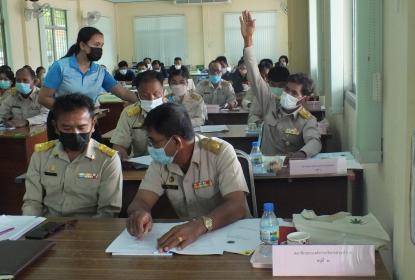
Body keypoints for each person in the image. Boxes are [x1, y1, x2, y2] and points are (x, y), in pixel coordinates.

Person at [126, 103, 249, 252]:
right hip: (187, 242)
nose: (150, 147)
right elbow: (141, 200)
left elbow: (237, 205)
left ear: (177, 141)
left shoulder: (221, 152)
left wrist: (199, 226)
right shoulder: (160, 162)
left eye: (154, 142)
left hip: (231, 237)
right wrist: (139, 212)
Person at [22, 93, 122, 217]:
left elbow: (108, 211)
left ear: (93, 125)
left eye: (82, 127)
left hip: (89, 228)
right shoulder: (41, 155)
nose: (75, 133)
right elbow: (32, 202)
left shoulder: (107, 159)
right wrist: (30, 227)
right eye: (67, 128)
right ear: (56, 127)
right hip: (46, 227)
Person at [240, 10, 322, 161]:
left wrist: (301, 154)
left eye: (294, 93)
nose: (287, 94)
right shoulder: (270, 102)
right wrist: (248, 39)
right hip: (264, 169)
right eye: (287, 90)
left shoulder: (307, 120)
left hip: (289, 169)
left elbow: (314, 141)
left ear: (304, 98)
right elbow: (254, 74)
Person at [38, 27, 138, 140]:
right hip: (63, 123)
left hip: (87, 121)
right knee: (62, 156)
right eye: (96, 45)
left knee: (94, 154)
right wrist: (70, 111)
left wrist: (144, 99)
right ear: (82, 45)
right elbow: (43, 98)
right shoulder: (60, 67)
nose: (100, 49)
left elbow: (123, 93)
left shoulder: (99, 71)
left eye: (101, 45)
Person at [110, 71, 165, 161]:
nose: (151, 99)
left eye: (156, 94)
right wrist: (121, 156)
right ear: (138, 95)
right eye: (145, 95)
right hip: (138, 164)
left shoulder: (173, 113)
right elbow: (119, 144)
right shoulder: (129, 113)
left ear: (163, 91)